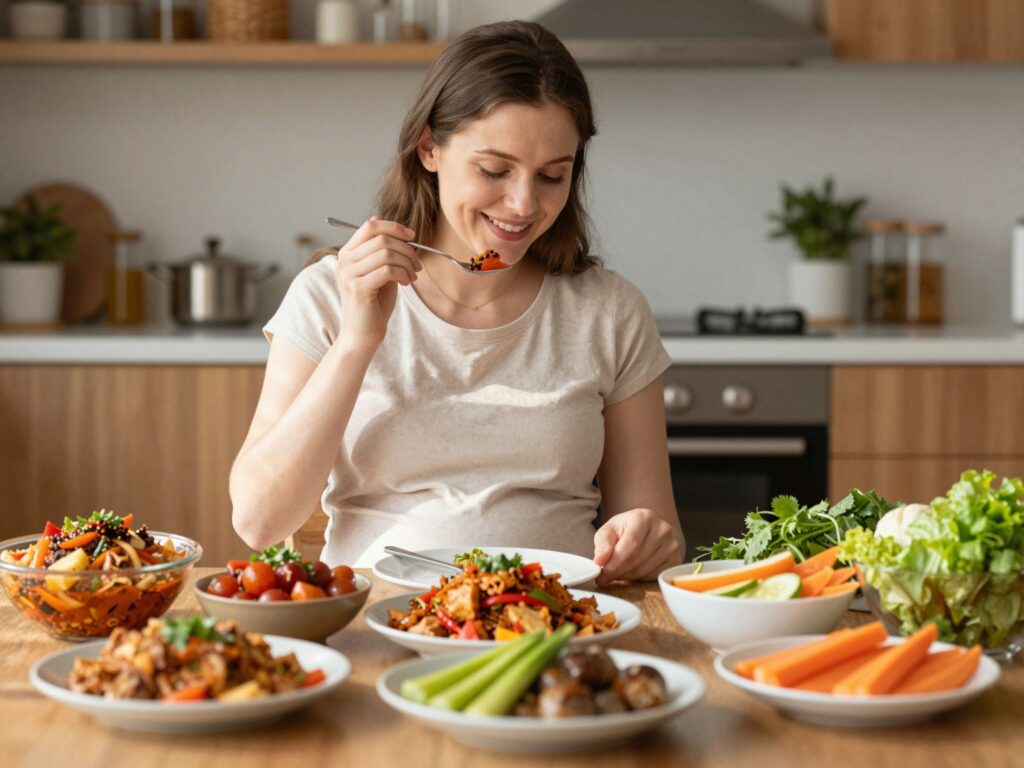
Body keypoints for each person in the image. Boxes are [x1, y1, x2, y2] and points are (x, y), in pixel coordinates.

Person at [230, 20, 684, 583]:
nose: (523, 205)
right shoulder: (328, 295)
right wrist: (357, 342)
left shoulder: (610, 310)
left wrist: (645, 540)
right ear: (429, 148)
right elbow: (258, 521)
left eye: (552, 176)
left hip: (552, 626)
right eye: (494, 170)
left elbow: (658, 532)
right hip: (377, 623)